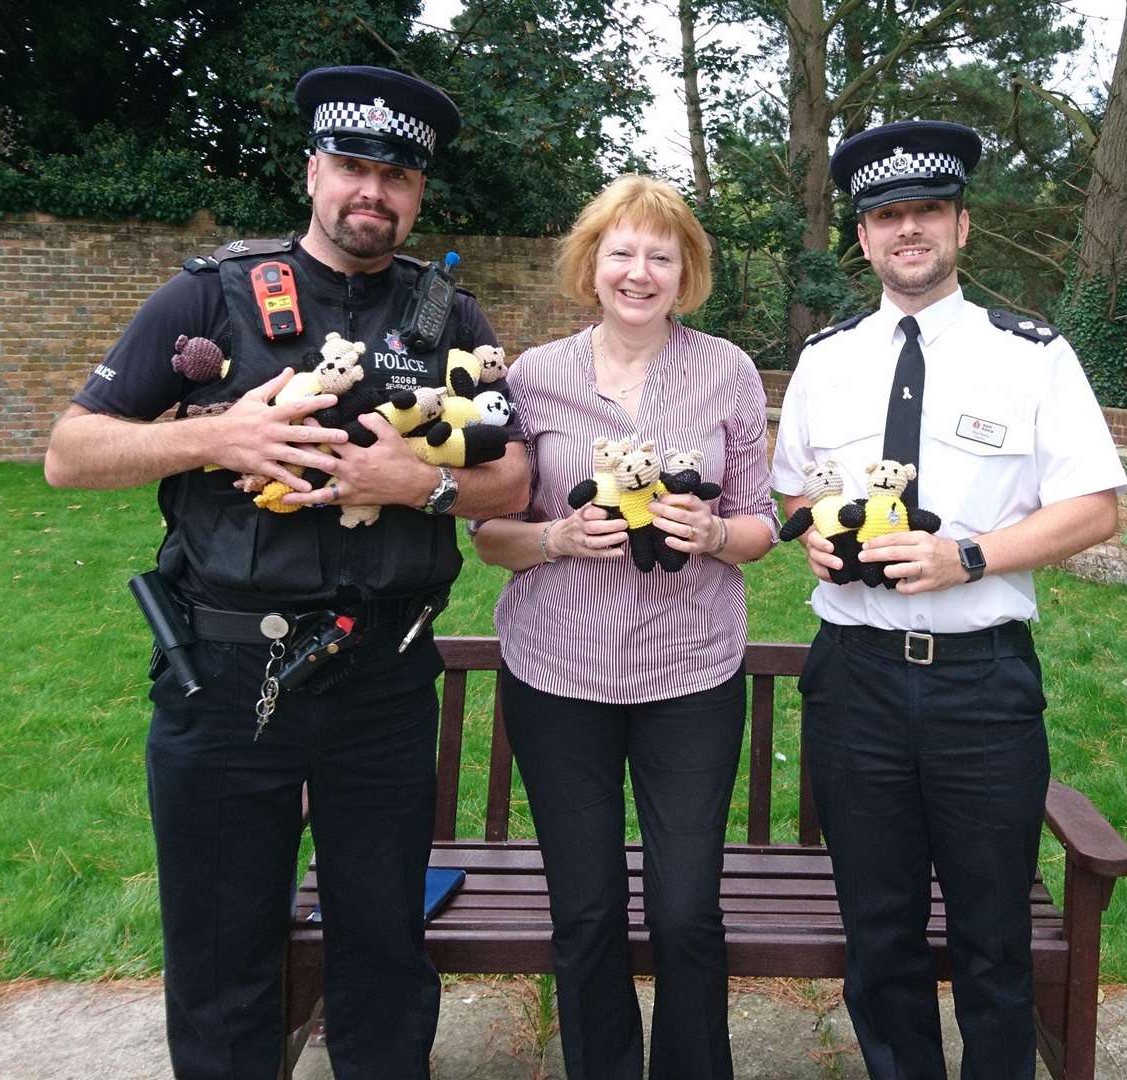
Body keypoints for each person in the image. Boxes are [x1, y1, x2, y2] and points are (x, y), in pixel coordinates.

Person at [44, 66, 528, 1080]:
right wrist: (221, 436)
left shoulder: (450, 319)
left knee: (384, 943)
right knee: (223, 945)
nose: (372, 193)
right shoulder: (209, 292)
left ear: (418, 194)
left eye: (396, 177)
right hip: (227, 675)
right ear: (313, 170)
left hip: (385, 679)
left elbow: (512, 479)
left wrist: (418, 485)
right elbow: (71, 452)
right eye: (352, 166)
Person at [772, 120, 1126, 1080]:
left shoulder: (1032, 355)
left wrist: (967, 556)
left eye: (926, 210)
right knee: (879, 935)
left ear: (962, 226)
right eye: (886, 216)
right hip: (854, 683)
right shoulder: (826, 358)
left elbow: (1095, 508)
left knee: (992, 933)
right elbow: (798, 490)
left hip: (981, 686)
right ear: (863, 238)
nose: (907, 230)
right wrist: (814, 533)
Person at [472, 174, 777, 1080]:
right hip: (556, 676)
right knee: (587, 908)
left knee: (686, 910)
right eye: (621, 253)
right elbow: (489, 534)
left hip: (690, 677)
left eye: (660, 255)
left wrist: (717, 533)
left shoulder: (725, 370)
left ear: (685, 272)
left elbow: (762, 522)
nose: (639, 272)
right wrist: (555, 536)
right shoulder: (533, 377)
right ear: (590, 266)